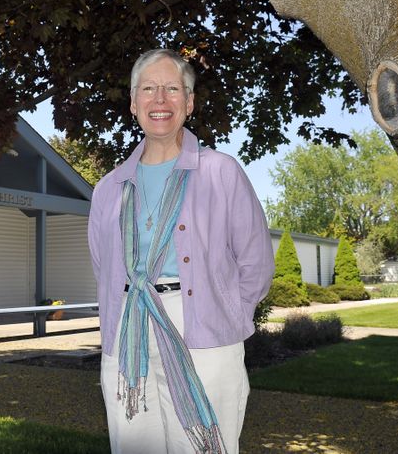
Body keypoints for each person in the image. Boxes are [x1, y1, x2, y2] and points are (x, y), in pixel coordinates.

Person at [88, 49, 275, 454]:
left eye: (172, 89)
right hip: (129, 335)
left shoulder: (221, 172)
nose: (160, 100)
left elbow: (256, 263)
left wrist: (225, 312)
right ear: (133, 103)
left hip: (204, 334)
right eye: (149, 89)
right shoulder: (108, 189)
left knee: (205, 447)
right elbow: (104, 267)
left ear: (188, 103)